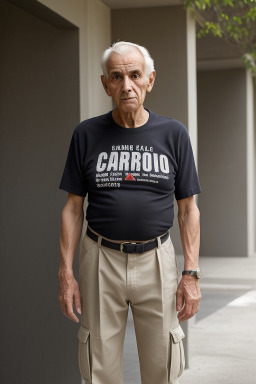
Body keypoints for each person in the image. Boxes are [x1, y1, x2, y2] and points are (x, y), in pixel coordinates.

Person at [58, 41, 202, 384]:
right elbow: (73, 209)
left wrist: (191, 273)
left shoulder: (173, 134)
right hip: (100, 258)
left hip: (157, 259)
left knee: (163, 364)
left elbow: (188, 210)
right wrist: (66, 273)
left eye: (135, 75)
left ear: (150, 80)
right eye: (117, 76)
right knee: (98, 364)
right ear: (105, 83)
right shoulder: (86, 134)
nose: (127, 85)